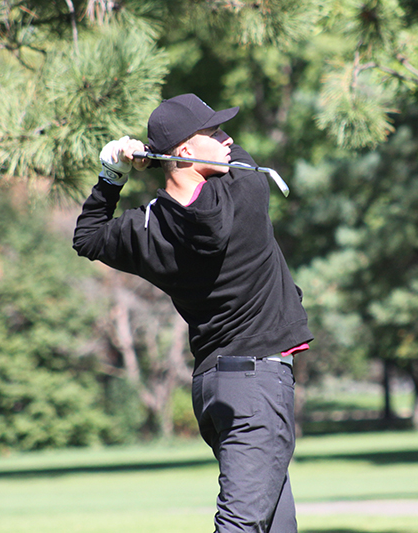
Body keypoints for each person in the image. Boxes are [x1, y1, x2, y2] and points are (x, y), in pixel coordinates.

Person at [73, 93, 313, 533]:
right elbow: (235, 160)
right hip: (257, 385)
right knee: (241, 526)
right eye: (215, 132)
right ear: (185, 150)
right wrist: (163, 159)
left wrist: (115, 171)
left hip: (213, 388)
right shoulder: (245, 187)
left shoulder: (147, 227)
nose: (229, 139)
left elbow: (88, 237)